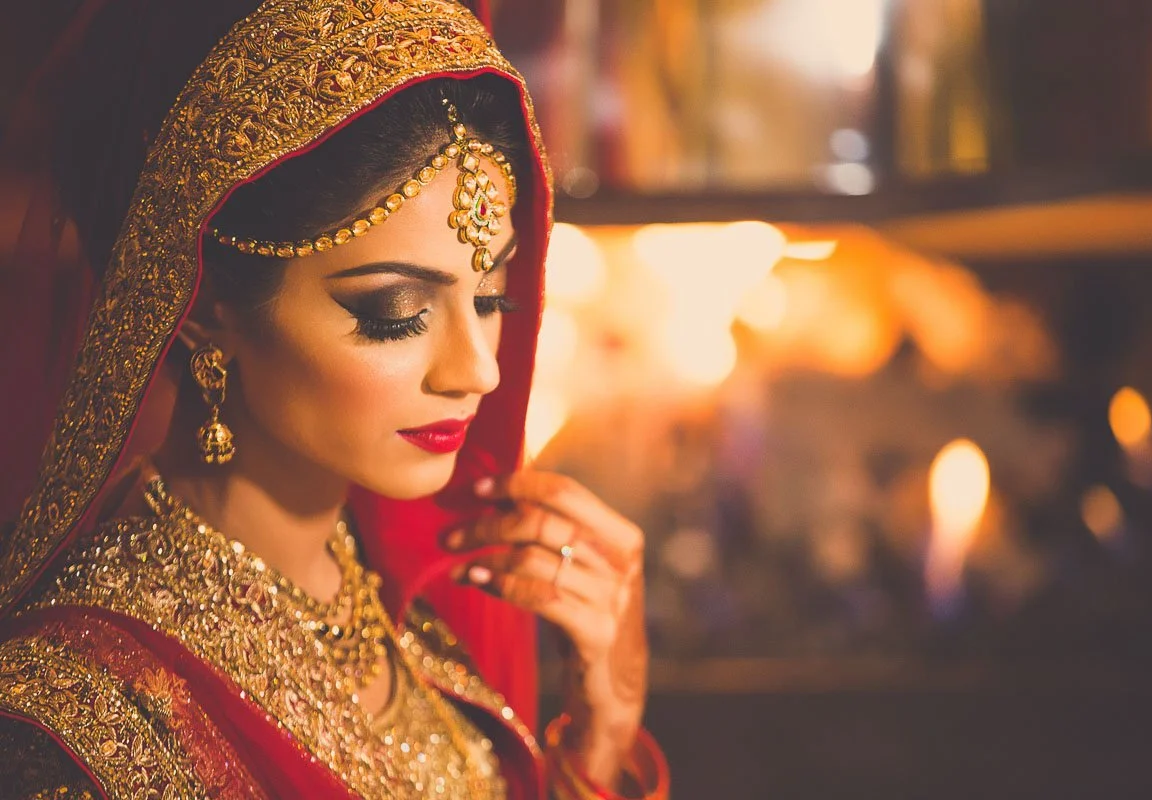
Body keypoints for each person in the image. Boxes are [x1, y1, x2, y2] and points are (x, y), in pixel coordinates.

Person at [0, 1, 667, 797]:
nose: (478, 370)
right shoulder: (75, 725)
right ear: (205, 308)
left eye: (491, 299)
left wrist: (599, 743)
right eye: (396, 313)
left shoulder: (411, 614)